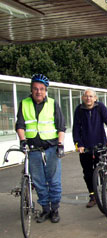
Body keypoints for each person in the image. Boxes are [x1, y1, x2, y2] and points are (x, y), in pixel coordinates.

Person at [15, 74, 66, 223]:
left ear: (46, 90)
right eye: (36, 89)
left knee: (54, 181)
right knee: (39, 182)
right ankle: (45, 209)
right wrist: (23, 140)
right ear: (31, 89)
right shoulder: (24, 103)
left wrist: (61, 144)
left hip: (51, 148)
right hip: (33, 149)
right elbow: (20, 125)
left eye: (42, 89)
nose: (39, 92)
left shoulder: (52, 103)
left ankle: (55, 209)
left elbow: (61, 125)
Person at [72, 88, 107, 208]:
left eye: (91, 96)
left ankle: (104, 189)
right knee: (87, 173)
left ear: (95, 98)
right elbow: (76, 128)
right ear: (82, 98)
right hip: (85, 148)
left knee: (104, 168)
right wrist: (78, 144)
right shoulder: (79, 110)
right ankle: (93, 196)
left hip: (100, 145)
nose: (88, 98)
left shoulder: (100, 107)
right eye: (86, 96)